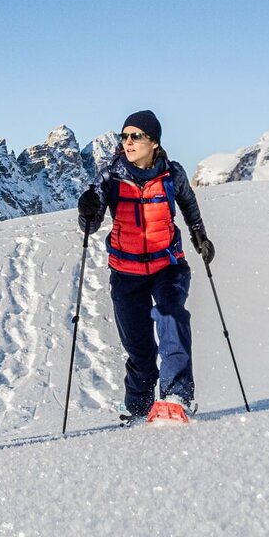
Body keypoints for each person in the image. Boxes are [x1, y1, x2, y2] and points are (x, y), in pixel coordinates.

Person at [76, 109, 214, 423]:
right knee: (138, 347)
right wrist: (87, 210)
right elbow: (91, 223)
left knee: (170, 315)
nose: (128, 142)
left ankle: (177, 394)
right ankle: (138, 407)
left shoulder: (172, 173)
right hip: (126, 272)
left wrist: (199, 236)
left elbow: (189, 204)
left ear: (153, 141)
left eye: (135, 136)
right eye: (124, 136)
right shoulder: (111, 175)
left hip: (168, 265)